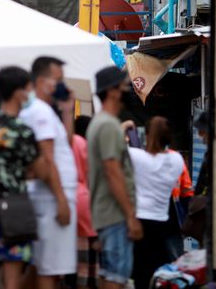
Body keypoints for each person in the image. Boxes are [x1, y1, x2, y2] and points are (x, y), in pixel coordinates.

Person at [0, 66, 66, 289]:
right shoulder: (21, 131)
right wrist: (60, 197)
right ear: (18, 92)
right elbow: (40, 167)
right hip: (13, 209)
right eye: (27, 89)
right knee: (11, 278)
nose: (29, 94)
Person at [19, 57, 75, 288]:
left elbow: (64, 147)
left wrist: (67, 112)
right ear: (42, 82)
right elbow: (48, 157)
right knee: (49, 271)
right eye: (58, 80)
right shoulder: (39, 112)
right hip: (52, 198)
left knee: (42, 265)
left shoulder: (43, 111)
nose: (61, 85)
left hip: (51, 195)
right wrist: (61, 200)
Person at [87, 66, 141, 289]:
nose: (127, 89)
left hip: (105, 213)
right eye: (122, 84)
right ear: (112, 91)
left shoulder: (100, 124)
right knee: (116, 278)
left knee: (109, 274)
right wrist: (130, 216)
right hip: (115, 215)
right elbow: (113, 172)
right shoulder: (108, 126)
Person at [128, 117, 184, 289]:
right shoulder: (177, 160)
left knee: (140, 272)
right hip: (162, 222)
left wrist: (126, 126)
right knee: (159, 271)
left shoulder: (136, 157)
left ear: (148, 136)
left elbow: (112, 145)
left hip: (139, 221)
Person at [70, 115, 97, 289]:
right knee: (88, 260)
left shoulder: (67, 144)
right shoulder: (85, 146)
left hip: (68, 201)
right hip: (86, 203)